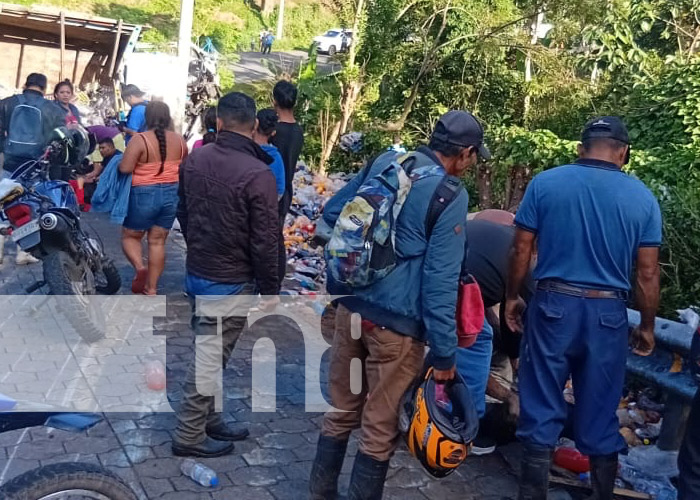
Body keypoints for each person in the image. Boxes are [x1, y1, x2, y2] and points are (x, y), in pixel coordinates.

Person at [309, 110, 490, 500]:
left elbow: (332, 211)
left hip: (350, 310)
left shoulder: (386, 163)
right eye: (474, 158)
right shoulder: (449, 194)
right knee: (379, 428)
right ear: (466, 153)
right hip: (396, 329)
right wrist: (444, 357)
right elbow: (440, 284)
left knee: (341, 409)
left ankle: (320, 492)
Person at [505, 116, 662, 500]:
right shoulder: (641, 196)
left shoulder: (546, 183)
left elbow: (521, 247)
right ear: (624, 152)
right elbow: (647, 273)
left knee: (541, 405)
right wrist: (646, 325)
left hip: (552, 306)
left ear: (580, 148)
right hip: (607, 315)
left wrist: (512, 296)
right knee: (599, 410)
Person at [173, 92, 280, 458]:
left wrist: (199, 248)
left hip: (199, 271)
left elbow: (183, 212)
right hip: (229, 280)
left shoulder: (197, 157)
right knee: (209, 357)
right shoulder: (258, 174)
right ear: (253, 126)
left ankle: (209, 420)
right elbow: (266, 240)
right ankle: (189, 433)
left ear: (219, 122)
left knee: (212, 351)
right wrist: (270, 288)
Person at [457, 214, 535, 456]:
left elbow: (509, 320)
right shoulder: (530, 269)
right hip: (448, 286)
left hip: (437, 274)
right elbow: (520, 323)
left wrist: (514, 359)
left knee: (485, 327)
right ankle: (467, 429)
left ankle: (430, 395)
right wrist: (514, 391)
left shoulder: (504, 235)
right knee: (478, 342)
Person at [119, 101, 187, 295]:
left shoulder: (140, 139)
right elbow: (184, 166)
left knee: (130, 236)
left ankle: (140, 268)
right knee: (157, 241)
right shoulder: (180, 141)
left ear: (147, 117)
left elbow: (125, 168)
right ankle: (152, 288)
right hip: (171, 194)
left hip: (143, 193)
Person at [0, 73, 63, 265]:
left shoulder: (7, 103)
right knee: (29, 206)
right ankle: (23, 252)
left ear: (25, 84)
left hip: (10, 161)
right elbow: (58, 138)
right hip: (35, 165)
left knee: (3, 202)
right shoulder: (53, 109)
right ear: (45, 89)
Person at [252, 108, 286, 201]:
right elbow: (280, 190)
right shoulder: (276, 158)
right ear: (273, 132)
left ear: (255, 124)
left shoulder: (244, 150)